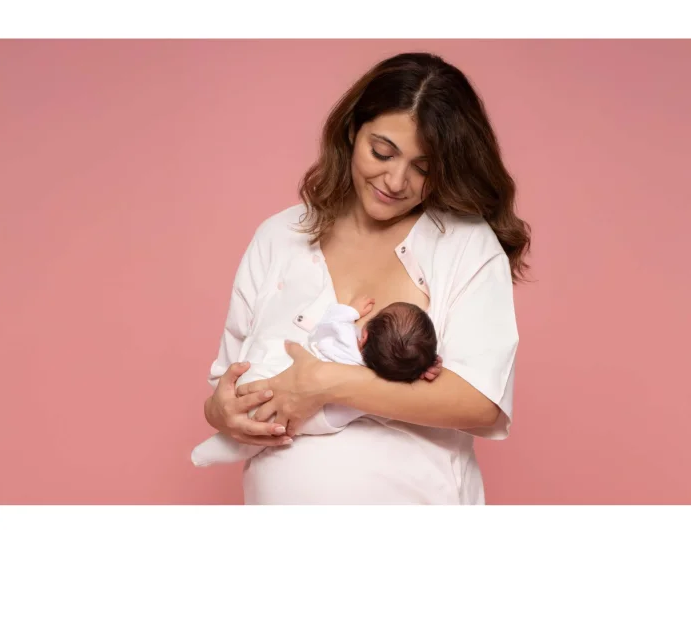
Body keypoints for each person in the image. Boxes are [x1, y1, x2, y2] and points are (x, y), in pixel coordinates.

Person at [203, 52, 531, 504]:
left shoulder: (463, 244)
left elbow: (482, 402)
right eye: (382, 152)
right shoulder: (280, 235)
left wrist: (328, 384)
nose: (396, 180)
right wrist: (220, 412)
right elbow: (225, 381)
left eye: (423, 168)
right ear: (352, 130)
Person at [190, 295, 440, 466]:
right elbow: (403, 388)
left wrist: (351, 310)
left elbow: (330, 320)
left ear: (364, 336)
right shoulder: (384, 383)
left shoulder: (345, 336)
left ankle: (211, 449)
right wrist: (419, 368)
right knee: (269, 435)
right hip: (315, 422)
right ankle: (214, 450)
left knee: (256, 408)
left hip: (276, 381)